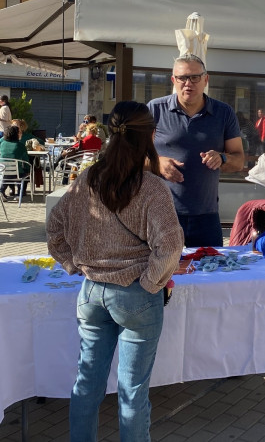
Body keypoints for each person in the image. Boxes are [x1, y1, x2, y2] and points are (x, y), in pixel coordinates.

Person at [46, 101, 185, 442]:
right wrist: (152, 283)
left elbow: (54, 228)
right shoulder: (151, 188)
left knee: (87, 384)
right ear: (150, 136)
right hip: (135, 294)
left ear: (109, 133)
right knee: (132, 392)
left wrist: (74, 264)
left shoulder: (87, 180)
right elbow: (170, 247)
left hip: (92, 292)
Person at [148, 53, 244, 247]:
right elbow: (133, 157)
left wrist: (222, 158)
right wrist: (157, 163)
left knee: (210, 274)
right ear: (173, 80)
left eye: (194, 77)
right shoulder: (155, 109)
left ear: (206, 79)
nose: (188, 83)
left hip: (206, 216)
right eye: (182, 78)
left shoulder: (223, 112)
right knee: (161, 275)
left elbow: (239, 160)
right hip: (162, 214)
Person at [0, 125, 30, 200]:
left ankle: (1, 191)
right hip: (17, 174)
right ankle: (20, 194)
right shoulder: (20, 146)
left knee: (5, 175)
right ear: (17, 134)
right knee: (25, 174)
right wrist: (28, 170)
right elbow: (26, 161)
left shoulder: (2, 144)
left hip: (2, 172)